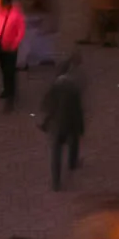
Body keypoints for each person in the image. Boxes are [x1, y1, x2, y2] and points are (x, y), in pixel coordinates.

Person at [40, 55, 85, 191]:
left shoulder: (54, 87)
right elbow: (78, 110)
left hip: (57, 124)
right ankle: (72, 163)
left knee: (56, 152)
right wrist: (81, 126)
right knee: (73, 142)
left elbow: (47, 105)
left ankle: (56, 181)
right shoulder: (73, 89)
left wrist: (47, 121)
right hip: (70, 123)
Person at [0, 0, 25, 110]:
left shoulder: (15, 14)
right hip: (0, 46)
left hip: (11, 47)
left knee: (10, 70)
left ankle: (11, 93)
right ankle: (6, 89)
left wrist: (15, 43)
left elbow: (21, 30)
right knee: (3, 68)